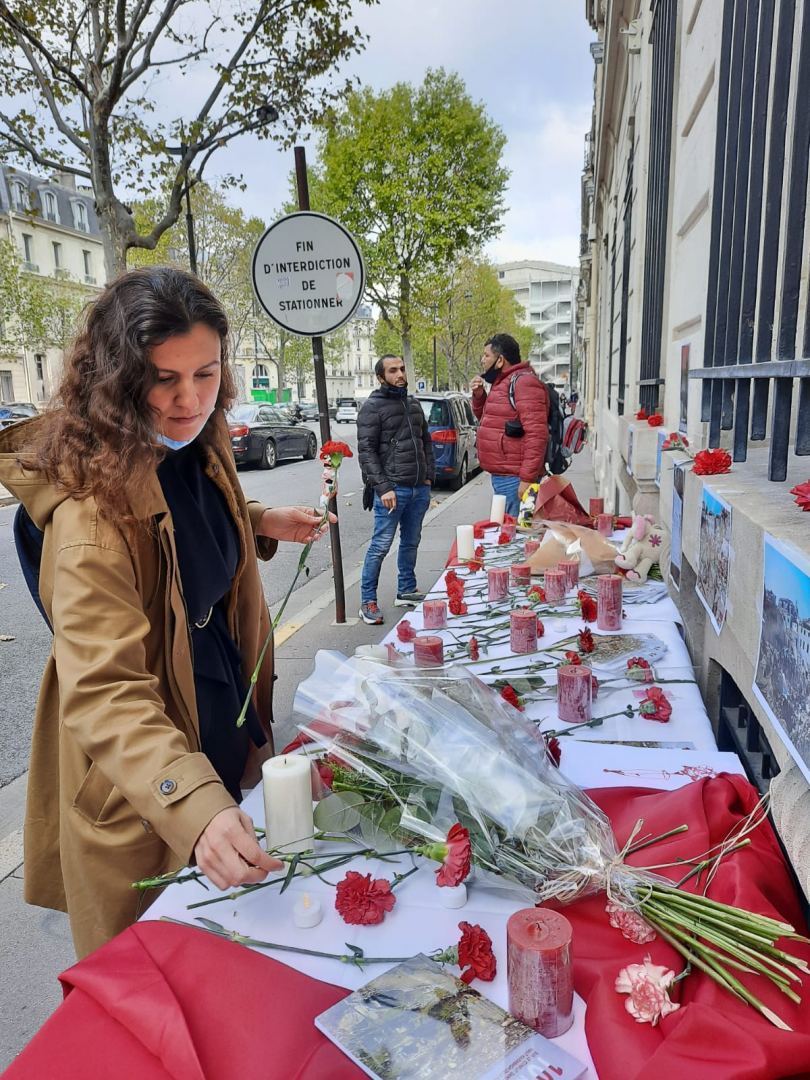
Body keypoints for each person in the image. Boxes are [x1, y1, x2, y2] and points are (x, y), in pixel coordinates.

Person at [0, 267, 333, 958]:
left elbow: (179, 524)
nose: (189, 401)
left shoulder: (197, 442)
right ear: (118, 381)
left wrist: (263, 519)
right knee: (164, 981)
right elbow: (104, 691)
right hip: (142, 777)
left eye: (205, 374)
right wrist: (194, 805)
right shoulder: (89, 515)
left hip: (215, 718)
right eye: (163, 380)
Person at [356, 354, 435, 624]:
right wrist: (383, 487)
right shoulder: (372, 407)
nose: (400, 374)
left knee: (411, 542)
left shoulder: (413, 404)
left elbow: (426, 443)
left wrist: (427, 479)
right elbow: (366, 452)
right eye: (393, 371)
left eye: (402, 368)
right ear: (381, 377)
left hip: (417, 489)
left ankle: (406, 589)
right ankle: (367, 600)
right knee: (380, 546)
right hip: (392, 491)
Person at [471, 333, 549, 518]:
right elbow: (488, 420)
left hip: (515, 478)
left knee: (516, 536)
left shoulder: (523, 382)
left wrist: (527, 479)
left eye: (486, 355)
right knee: (508, 533)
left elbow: (537, 434)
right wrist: (480, 395)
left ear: (500, 360)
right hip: (505, 475)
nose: (483, 360)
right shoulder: (503, 383)